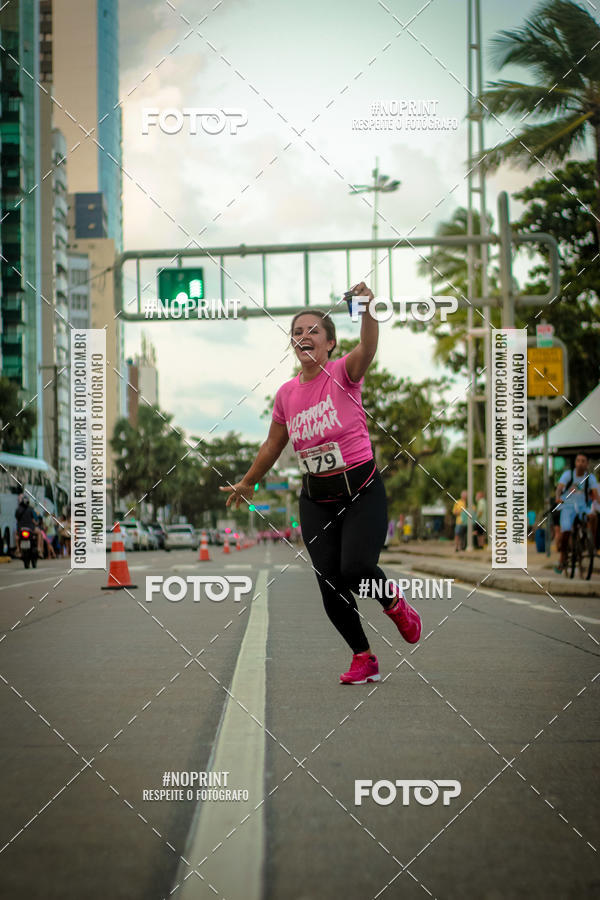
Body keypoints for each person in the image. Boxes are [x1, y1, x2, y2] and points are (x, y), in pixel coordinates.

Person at [220, 283, 421, 685]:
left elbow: (368, 347)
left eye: (313, 330)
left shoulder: (343, 372)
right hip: (317, 498)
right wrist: (247, 483)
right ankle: (363, 656)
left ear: (330, 343)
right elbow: (274, 444)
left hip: (361, 489)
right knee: (329, 581)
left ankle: (394, 603)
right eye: (297, 332)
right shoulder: (286, 394)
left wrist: (365, 308)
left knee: (357, 568)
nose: (304, 336)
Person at [554, 452, 599, 573]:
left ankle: (590, 543)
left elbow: (595, 494)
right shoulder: (568, 475)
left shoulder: (590, 478)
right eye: (578, 461)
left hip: (582, 507)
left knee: (593, 516)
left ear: (587, 464)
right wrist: (558, 497)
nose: (580, 463)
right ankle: (562, 557)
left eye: (583, 461)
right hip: (567, 507)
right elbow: (559, 489)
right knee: (566, 530)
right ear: (575, 463)